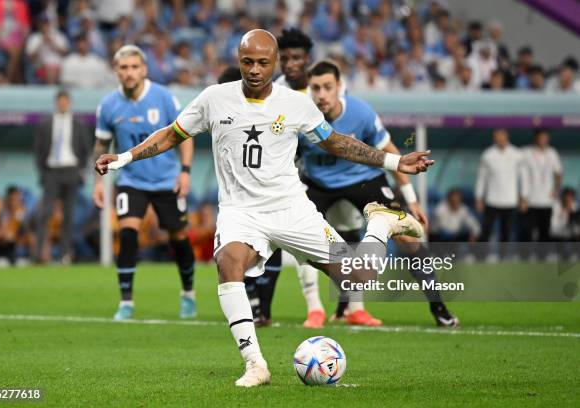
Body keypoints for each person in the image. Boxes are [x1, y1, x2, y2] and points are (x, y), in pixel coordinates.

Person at [95, 29, 433, 387]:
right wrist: (123, 157)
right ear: (238, 61)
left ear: (274, 64)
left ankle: (381, 224)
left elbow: (336, 143)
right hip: (241, 212)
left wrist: (395, 163)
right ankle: (255, 364)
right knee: (228, 262)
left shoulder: (296, 103)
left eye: (262, 62)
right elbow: (170, 134)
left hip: (291, 209)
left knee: (358, 277)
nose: (254, 69)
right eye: (247, 62)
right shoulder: (214, 99)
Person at [298, 60, 458, 328]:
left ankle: (438, 305)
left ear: (340, 87)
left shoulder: (361, 113)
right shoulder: (301, 116)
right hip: (318, 185)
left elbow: (393, 152)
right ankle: (317, 309)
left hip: (364, 179)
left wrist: (412, 199)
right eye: (316, 88)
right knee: (299, 234)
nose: (321, 94)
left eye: (327, 87)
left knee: (406, 233)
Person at [92, 45, 197, 321]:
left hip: (166, 180)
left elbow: (184, 136)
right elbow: (101, 144)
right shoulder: (108, 105)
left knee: (179, 236)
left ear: (144, 70)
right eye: (124, 68)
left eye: (134, 67)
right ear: (116, 70)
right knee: (127, 235)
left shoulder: (163, 98)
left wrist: (185, 171)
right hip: (131, 181)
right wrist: (98, 182)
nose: (129, 73)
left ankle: (188, 293)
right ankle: (126, 302)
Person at [34, 90, 90, 264]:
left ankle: (65, 254)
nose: (63, 104)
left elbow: (85, 150)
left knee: (69, 214)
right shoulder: (46, 123)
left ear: (70, 103)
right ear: (56, 103)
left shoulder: (79, 124)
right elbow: (39, 150)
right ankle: (39, 254)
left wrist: (80, 171)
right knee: (45, 213)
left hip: (71, 170)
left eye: (66, 101)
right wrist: (44, 173)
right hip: (52, 170)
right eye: (60, 101)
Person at [475, 128, 527, 246]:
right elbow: (481, 178)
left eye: (502, 136)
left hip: (510, 200)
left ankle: (503, 258)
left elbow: (523, 178)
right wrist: (479, 198)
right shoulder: (488, 155)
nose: (499, 139)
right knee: (486, 229)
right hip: (492, 199)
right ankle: (479, 256)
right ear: (494, 138)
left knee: (506, 231)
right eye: (497, 137)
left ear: (507, 136)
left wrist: (524, 197)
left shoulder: (517, 154)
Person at [522, 129, 562, 245]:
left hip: (547, 199)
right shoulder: (526, 152)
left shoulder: (552, 153)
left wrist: (556, 188)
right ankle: (528, 255)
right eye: (540, 137)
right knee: (528, 230)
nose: (542, 140)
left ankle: (543, 256)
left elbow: (558, 172)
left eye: (545, 137)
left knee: (545, 230)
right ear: (535, 138)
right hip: (530, 199)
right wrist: (522, 196)